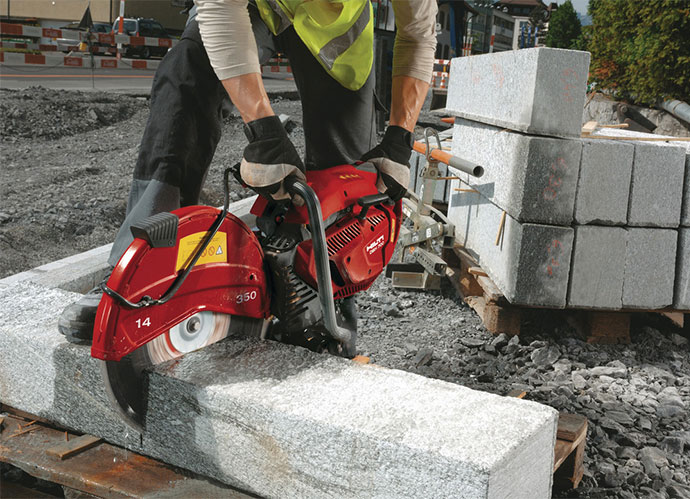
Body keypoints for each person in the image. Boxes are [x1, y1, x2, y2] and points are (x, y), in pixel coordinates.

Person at [58, 0, 437, 351]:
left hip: (337, 27)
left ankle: (329, 326)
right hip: (247, 6)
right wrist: (264, 132)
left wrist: (399, 140)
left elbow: (418, 32)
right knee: (187, 74)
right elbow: (220, 9)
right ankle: (137, 271)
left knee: (349, 179)